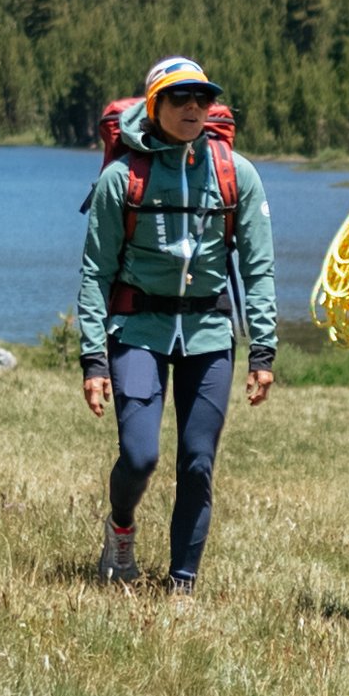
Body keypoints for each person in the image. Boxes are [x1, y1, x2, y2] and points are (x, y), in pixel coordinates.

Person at [74, 55, 276, 592]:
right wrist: (93, 358)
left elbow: (258, 269)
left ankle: (181, 583)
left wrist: (263, 351)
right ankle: (120, 527)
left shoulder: (238, 174)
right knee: (140, 456)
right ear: (154, 105)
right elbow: (95, 272)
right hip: (137, 329)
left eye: (202, 98)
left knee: (197, 464)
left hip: (210, 334)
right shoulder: (123, 179)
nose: (193, 108)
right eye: (180, 97)